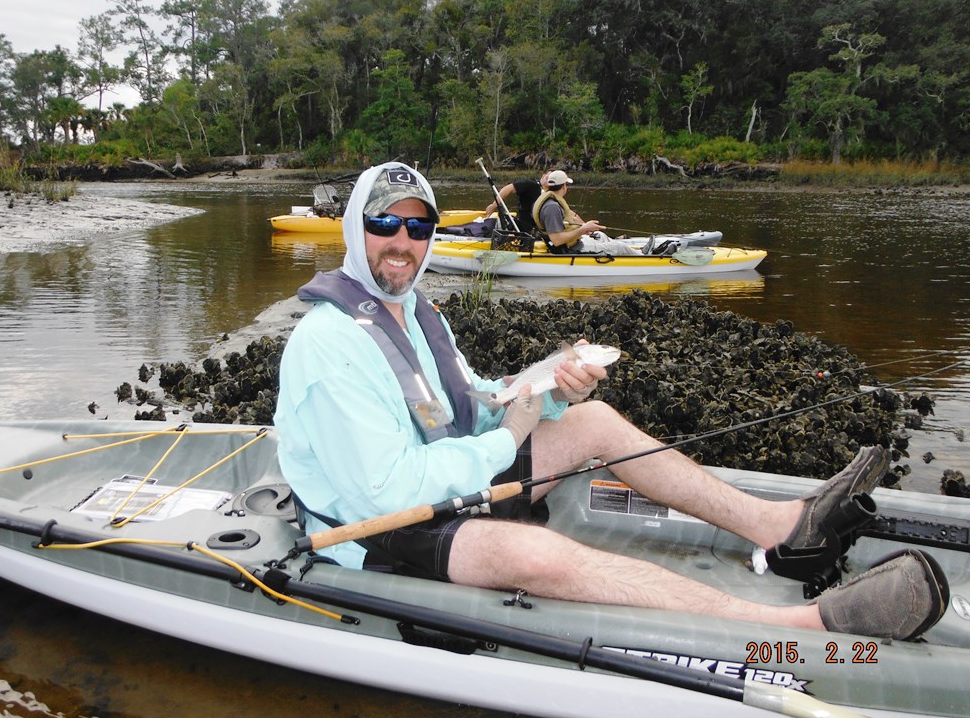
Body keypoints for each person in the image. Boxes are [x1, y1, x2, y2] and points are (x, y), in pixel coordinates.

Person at [274, 161, 948, 641]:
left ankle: (781, 530)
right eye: (384, 222)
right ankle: (794, 627)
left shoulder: (414, 311)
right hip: (373, 530)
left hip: (448, 472)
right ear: (354, 231)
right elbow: (386, 493)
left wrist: (548, 385)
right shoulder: (328, 344)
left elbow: (472, 399)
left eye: (417, 227)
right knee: (530, 557)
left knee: (591, 417)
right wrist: (506, 443)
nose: (402, 241)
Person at [532, 170, 655, 256]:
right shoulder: (552, 208)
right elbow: (557, 240)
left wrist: (586, 229)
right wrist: (583, 229)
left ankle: (638, 252)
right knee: (619, 248)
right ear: (564, 186)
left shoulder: (551, 201)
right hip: (570, 249)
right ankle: (645, 256)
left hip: (573, 244)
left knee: (599, 235)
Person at [484, 171, 584, 235]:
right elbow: (509, 188)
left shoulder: (552, 195)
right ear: (543, 176)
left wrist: (583, 225)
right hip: (526, 227)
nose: (548, 179)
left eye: (551, 178)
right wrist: (494, 204)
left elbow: (569, 212)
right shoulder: (531, 186)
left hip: (541, 229)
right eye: (547, 176)